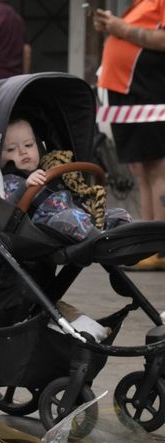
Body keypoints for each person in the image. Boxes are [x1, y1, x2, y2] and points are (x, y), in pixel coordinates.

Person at [94, 1, 165, 270]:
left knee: (157, 167)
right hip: (127, 90)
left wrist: (119, 27)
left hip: (146, 89)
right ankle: (149, 244)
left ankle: (159, 246)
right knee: (141, 169)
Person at [0, 117, 131, 242]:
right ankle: (103, 242)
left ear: (39, 146)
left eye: (28, 145)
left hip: (77, 215)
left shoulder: (50, 167)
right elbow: (7, 209)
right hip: (46, 224)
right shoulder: (9, 179)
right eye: (11, 149)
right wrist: (26, 186)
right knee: (72, 218)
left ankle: (128, 245)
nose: (23, 151)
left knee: (119, 214)